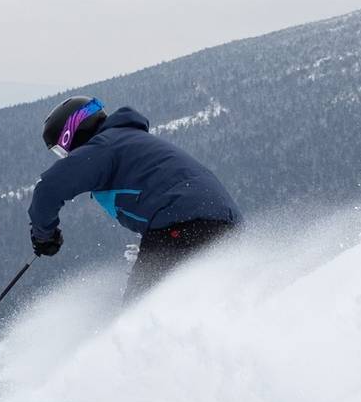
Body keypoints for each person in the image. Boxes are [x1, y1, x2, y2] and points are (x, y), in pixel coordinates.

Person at [27, 95, 241, 301]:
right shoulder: (130, 140)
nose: (65, 155)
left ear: (72, 133)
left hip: (181, 224)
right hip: (224, 225)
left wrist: (44, 236)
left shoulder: (103, 148)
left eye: (60, 149)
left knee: (140, 308)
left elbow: (48, 188)